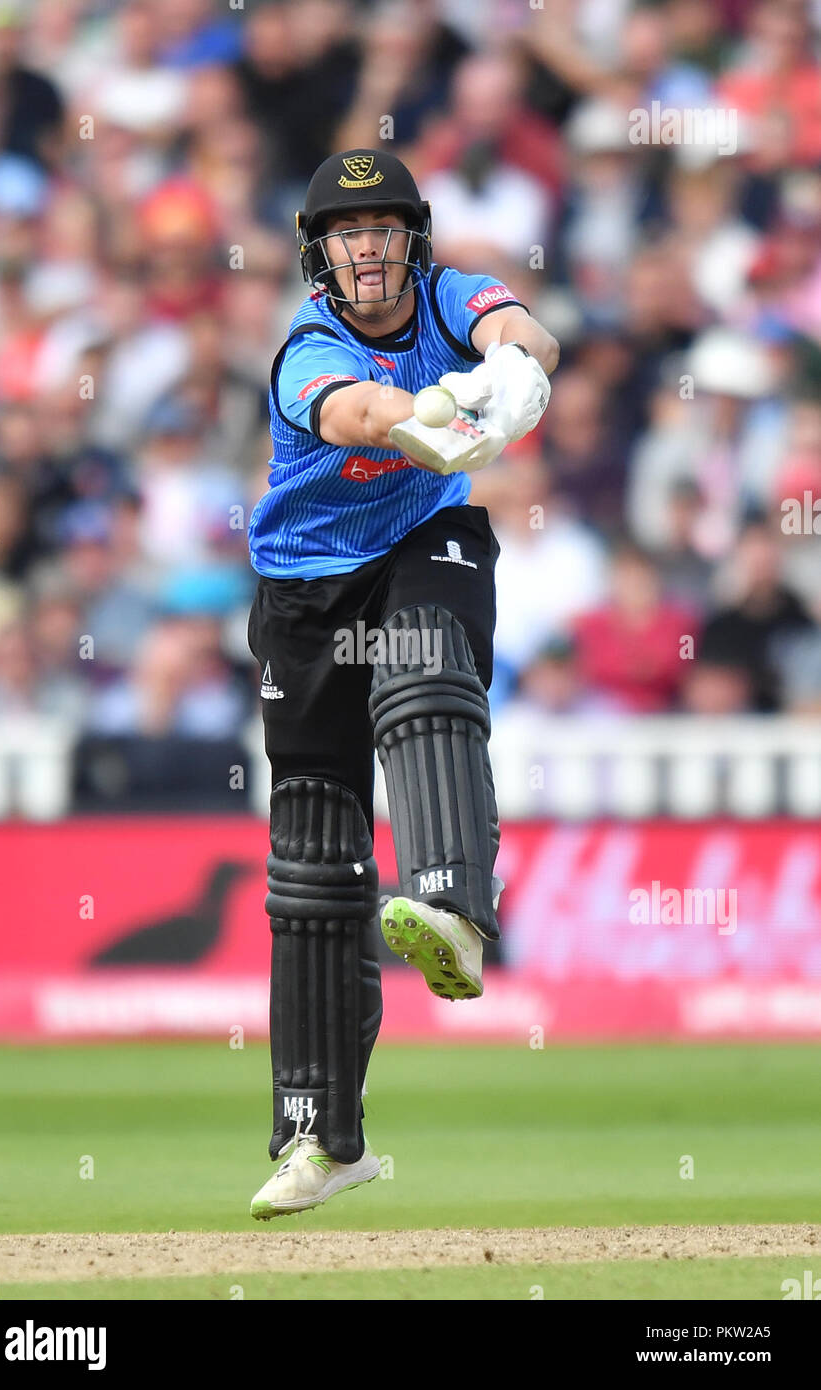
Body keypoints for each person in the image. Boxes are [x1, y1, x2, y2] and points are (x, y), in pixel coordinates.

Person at [246, 148, 558, 1219]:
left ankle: (452, 905)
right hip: (303, 598)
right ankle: (317, 1134)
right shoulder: (306, 348)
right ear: (321, 254)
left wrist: (512, 369)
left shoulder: (448, 290)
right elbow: (357, 418)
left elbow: (523, 328)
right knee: (313, 876)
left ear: (407, 239)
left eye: (383, 227)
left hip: (424, 540)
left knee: (426, 673)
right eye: (347, 232)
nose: (367, 246)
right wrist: (434, 413)